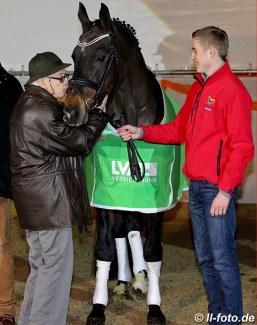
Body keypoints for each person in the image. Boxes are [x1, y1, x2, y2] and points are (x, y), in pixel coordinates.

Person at [118, 26, 254, 324]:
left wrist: (226, 190)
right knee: (206, 259)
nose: (191, 55)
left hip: (216, 191)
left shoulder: (232, 90)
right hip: (198, 188)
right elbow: (178, 130)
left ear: (210, 51)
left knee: (223, 261)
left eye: (194, 49)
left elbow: (243, 146)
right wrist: (142, 131)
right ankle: (217, 315)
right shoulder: (198, 87)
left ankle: (230, 319)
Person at [9, 51, 108, 325]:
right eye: (61, 77)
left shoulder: (29, 103)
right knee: (55, 272)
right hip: (49, 205)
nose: (67, 82)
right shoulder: (41, 110)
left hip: (38, 204)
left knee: (41, 268)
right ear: (43, 81)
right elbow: (78, 142)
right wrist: (100, 116)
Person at [0, 64, 23, 325]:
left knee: (0, 246)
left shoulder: (8, 87)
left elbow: (18, 136)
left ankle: (5, 308)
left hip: (0, 180)